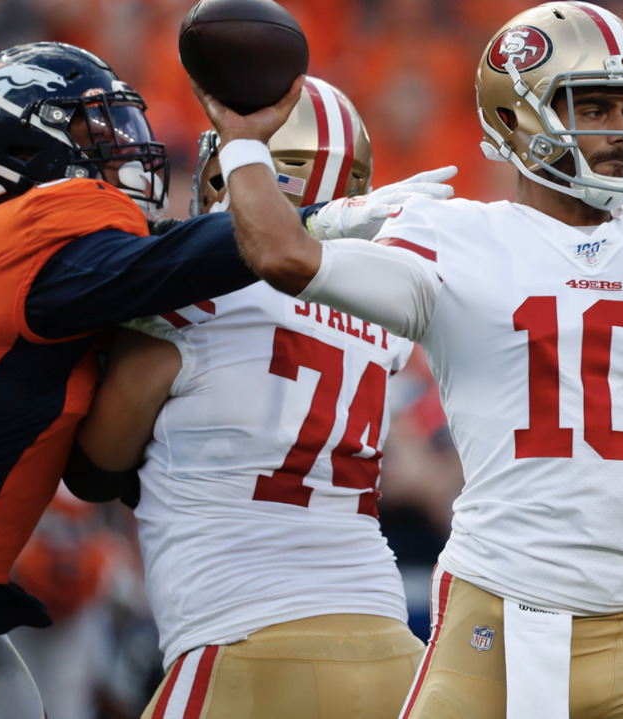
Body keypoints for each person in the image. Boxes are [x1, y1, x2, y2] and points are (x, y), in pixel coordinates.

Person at [188, 3, 623, 717]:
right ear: (514, 121)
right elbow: (279, 254)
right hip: (495, 619)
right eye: (593, 106)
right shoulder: (453, 235)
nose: (619, 132)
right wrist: (240, 144)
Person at [0, 42, 449, 718]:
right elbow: (180, 264)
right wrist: (308, 227)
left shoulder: (134, 286)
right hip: (382, 622)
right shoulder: (378, 315)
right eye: (93, 129)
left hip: (215, 626)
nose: (126, 148)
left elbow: (97, 471)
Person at [68, 75, 426, 719]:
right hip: (391, 644)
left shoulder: (182, 306)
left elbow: (95, 468)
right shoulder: (382, 318)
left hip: (245, 643)